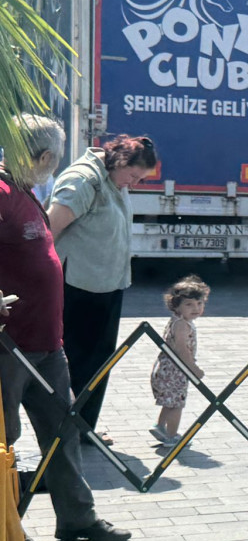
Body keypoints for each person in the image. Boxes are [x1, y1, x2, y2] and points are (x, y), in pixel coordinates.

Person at [0, 115, 133, 541]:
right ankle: (7, 532)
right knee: (5, 441)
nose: (53, 169)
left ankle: (77, 518)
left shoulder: (25, 192)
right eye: (52, 161)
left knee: (63, 429)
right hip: (9, 347)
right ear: (42, 158)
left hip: (47, 345)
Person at [47, 134, 157, 447]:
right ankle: (64, 428)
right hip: (78, 286)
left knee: (98, 362)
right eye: (134, 176)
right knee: (74, 360)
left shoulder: (114, 182)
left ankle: (83, 427)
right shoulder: (84, 181)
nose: (134, 183)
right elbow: (49, 232)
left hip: (107, 285)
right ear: (120, 161)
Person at [148, 276, 209, 445]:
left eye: (199, 303)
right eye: (189, 304)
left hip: (168, 369)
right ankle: (172, 436)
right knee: (177, 404)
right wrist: (193, 369)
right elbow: (182, 350)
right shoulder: (182, 325)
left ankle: (160, 426)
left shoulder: (179, 321)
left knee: (170, 401)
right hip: (176, 370)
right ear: (176, 306)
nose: (195, 308)